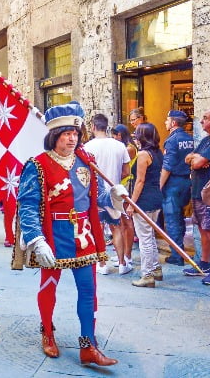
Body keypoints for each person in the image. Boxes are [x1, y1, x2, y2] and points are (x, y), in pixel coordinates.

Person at [16, 101, 125, 367]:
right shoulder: (37, 165)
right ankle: (47, 331)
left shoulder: (85, 162)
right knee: (49, 286)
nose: (72, 138)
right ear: (54, 135)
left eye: (75, 134)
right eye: (67, 134)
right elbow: (27, 204)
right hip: (53, 235)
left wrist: (112, 196)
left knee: (88, 290)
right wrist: (35, 239)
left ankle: (89, 345)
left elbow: (92, 196)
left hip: (84, 235)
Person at [84, 114, 131, 275]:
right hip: (114, 190)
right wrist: (115, 178)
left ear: (93, 127)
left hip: (95, 191)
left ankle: (102, 264)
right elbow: (126, 171)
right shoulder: (119, 146)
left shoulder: (87, 147)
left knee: (98, 228)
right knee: (117, 227)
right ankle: (122, 262)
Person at [183, 108, 210, 284]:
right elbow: (189, 159)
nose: (201, 121)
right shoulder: (207, 140)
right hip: (198, 190)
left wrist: (197, 159)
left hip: (209, 192)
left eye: (205, 118)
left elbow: (198, 162)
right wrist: (196, 159)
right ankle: (205, 263)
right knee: (202, 227)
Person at [127, 124, 163, 288]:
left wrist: (132, 203)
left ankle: (147, 274)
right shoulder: (157, 152)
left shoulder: (143, 154)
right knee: (150, 236)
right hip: (155, 197)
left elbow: (140, 181)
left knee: (145, 239)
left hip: (144, 199)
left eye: (137, 133)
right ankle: (155, 268)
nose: (134, 135)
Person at [160, 110, 194, 266]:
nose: (165, 123)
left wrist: (159, 186)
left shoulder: (172, 141)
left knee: (173, 219)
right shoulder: (190, 139)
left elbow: (167, 166)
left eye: (167, 120)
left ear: (173, 123)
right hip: (186, 181)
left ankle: (177, 254)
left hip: (173, 183)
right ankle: (180, 251)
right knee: (180, 218)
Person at [112, 124, 137, 252]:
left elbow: (125, 170)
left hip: (126, 184)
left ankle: (127, 254)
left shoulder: (128, 149)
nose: (113, 138)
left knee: (126, 220)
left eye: (114, 135)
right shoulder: (126, 147)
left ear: (120, 135)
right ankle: (124, 252)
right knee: (122, 220)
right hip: (123, 184)